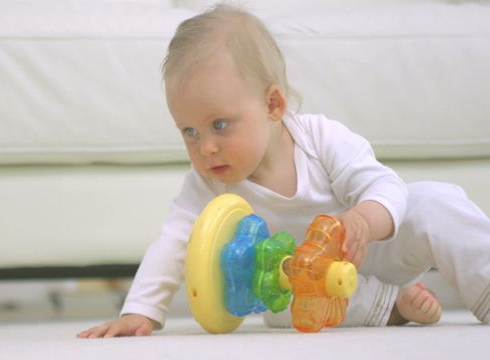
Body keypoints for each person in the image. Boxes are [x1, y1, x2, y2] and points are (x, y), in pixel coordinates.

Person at [78, 4, 489, 338]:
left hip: (366, 247)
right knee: (279, 310)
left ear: (273, 105)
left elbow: (384, 185)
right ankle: (390, 307)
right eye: (189, 131)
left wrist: (366, 219)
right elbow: (173, 243)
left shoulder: (319, 138)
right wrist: (140, 311)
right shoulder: (210, 182)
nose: (205, 147)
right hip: (301, 282)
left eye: (219, 125)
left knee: (437, 199)